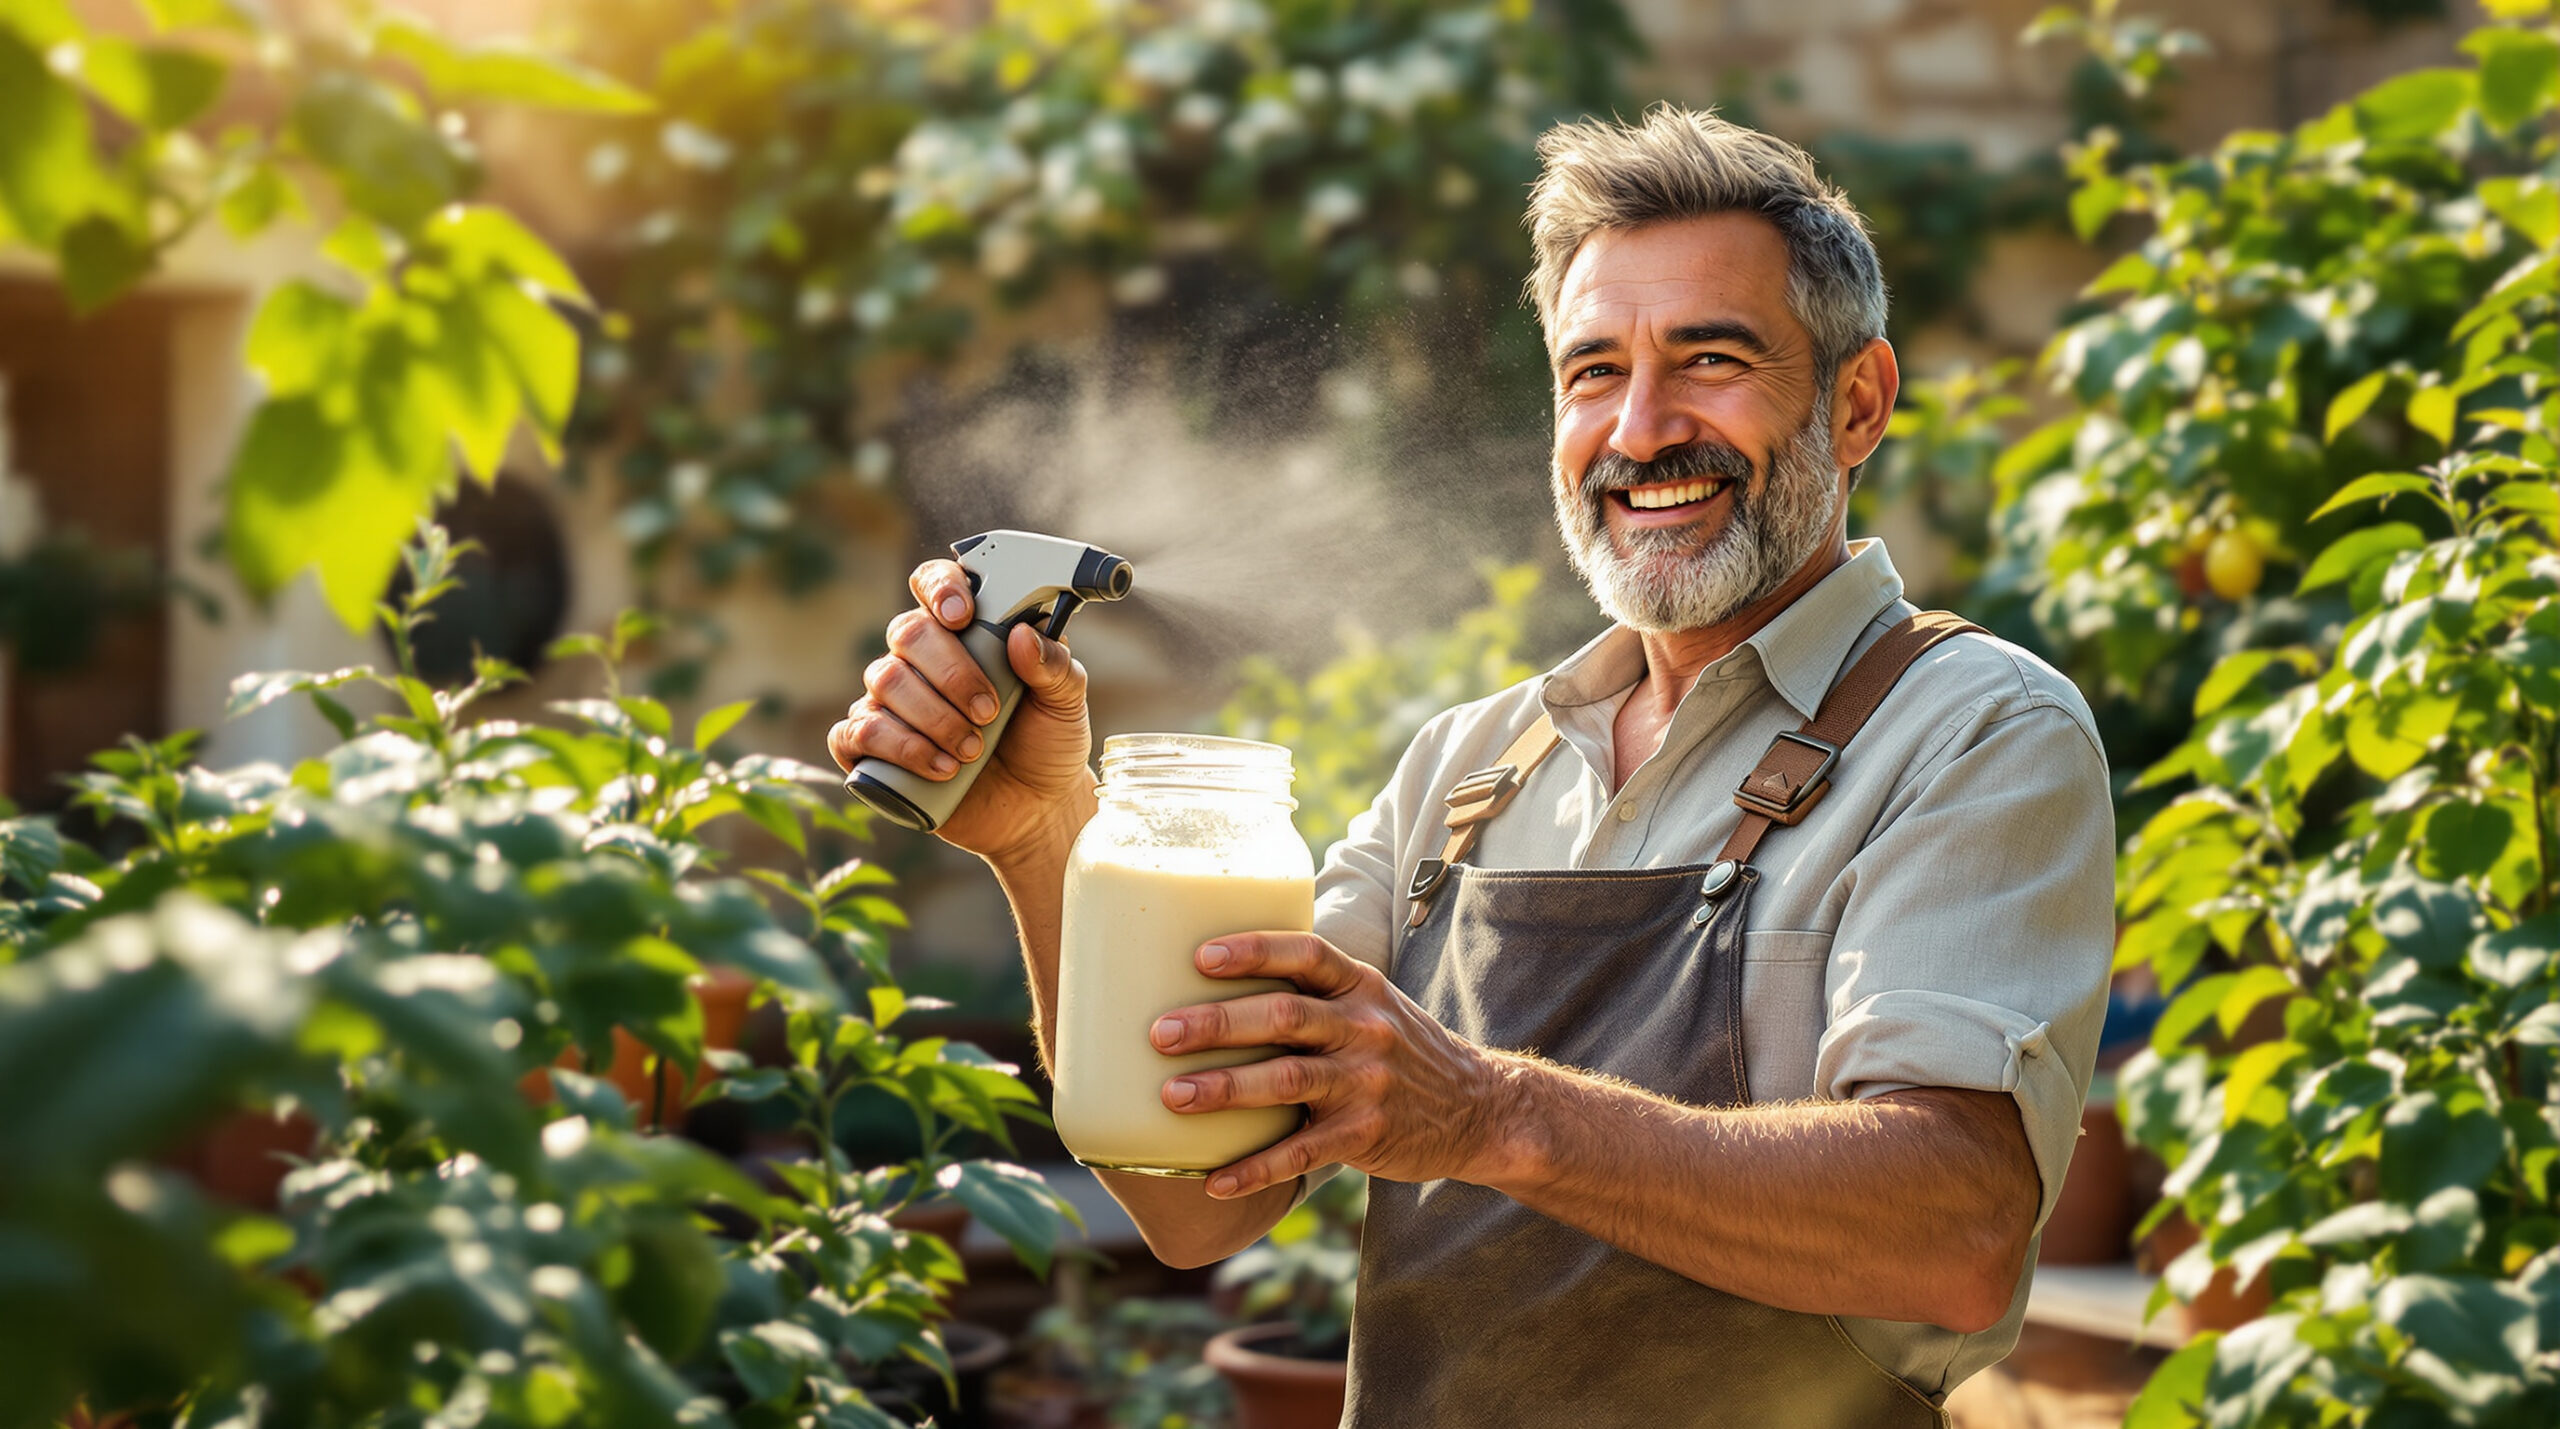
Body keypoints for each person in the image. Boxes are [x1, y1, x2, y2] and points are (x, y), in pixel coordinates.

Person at [828, 106, 2115, 1426]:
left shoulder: (1972, 730)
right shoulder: (1468, 763)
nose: (1641, 426)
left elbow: (1954, 1232)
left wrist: (1490, 1112)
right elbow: (1194, 1195)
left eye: (1710, 358)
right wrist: (1048, 833)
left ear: (1857, 403)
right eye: (1593, 369)